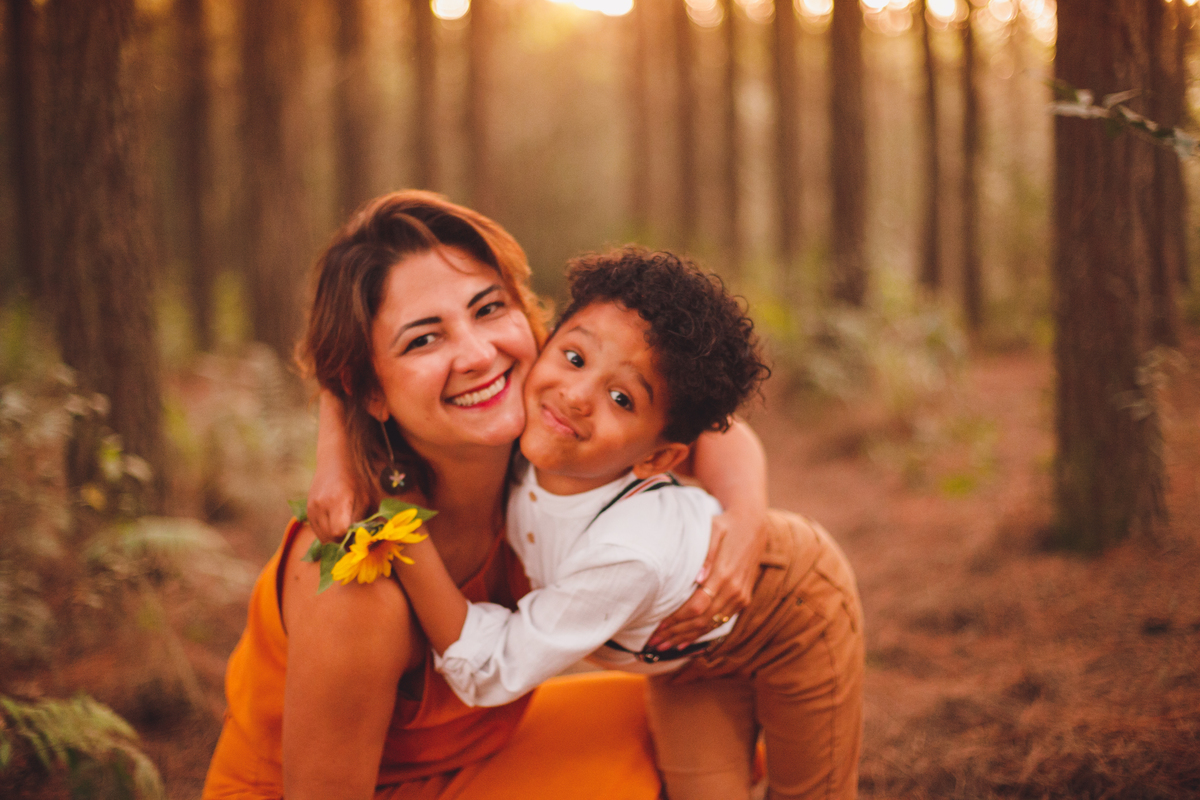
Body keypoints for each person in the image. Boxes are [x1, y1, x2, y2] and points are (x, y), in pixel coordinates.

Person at [202, 192, 770, 800]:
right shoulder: (361, 577)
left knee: (702, 720)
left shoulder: (551, 423)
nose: (478, 355)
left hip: (480, 755)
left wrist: (745, 524)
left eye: (489, 308)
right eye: (423, 340)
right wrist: (335, 441)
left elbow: (705, 430)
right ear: (370, 391)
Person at [388, 248, 865, 800]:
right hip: (685, 660)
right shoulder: (518, 421)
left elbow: (492, 668)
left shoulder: (626, 552)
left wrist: (397, 530)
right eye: (573, 357)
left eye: (621, 398)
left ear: (658, 460)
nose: (575, 396)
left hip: (794, 611)